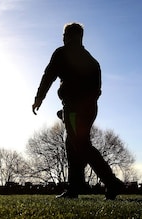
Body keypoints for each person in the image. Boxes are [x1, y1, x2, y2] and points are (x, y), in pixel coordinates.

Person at [32, 22, 124, 200]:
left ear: (68, 36)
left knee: (81, 145)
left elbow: (48, 75)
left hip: (74, 109)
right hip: (87, 109)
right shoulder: (92, 61)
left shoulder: (62, 53)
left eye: (65, 35)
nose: (64, 38)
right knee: (72, 145)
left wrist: (39, 98)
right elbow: (97, 91)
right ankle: (74, 187)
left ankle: (111, 181)